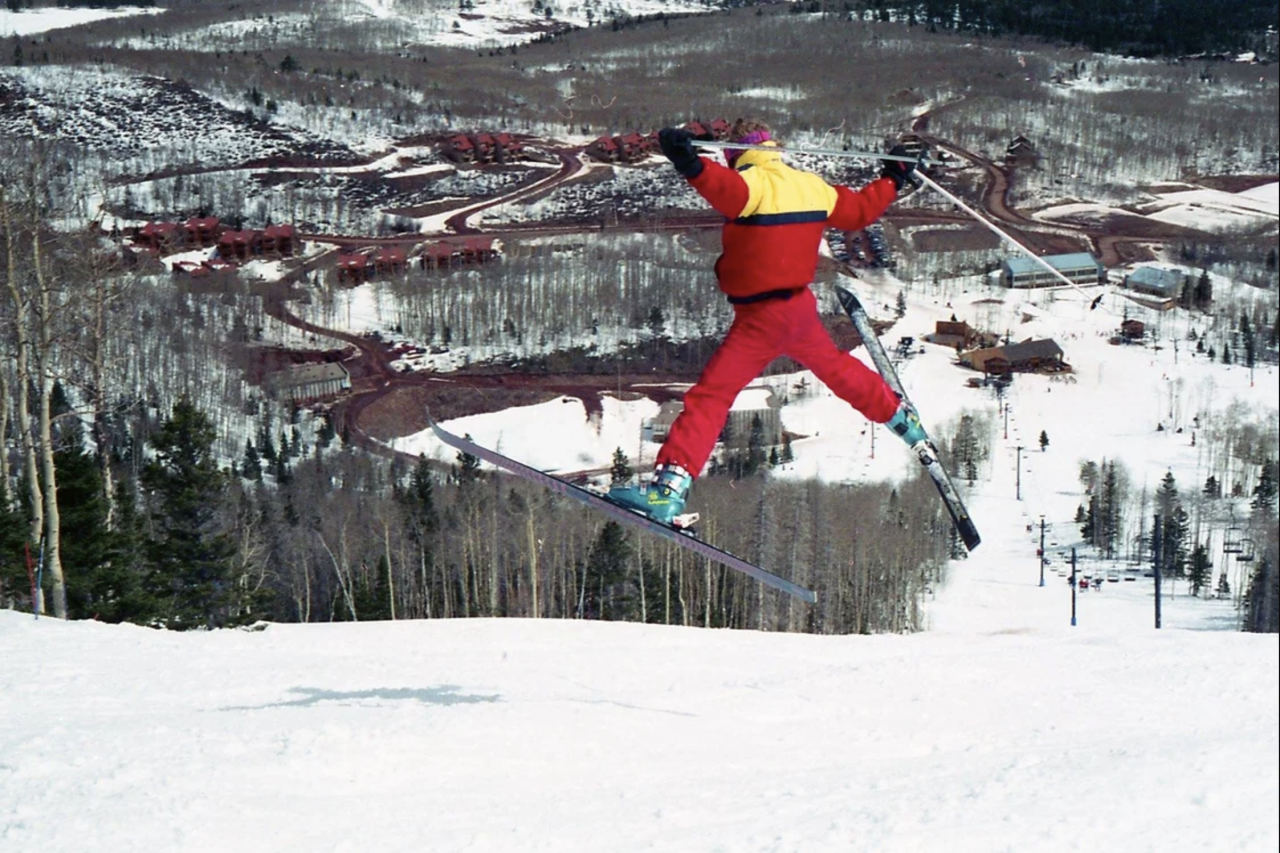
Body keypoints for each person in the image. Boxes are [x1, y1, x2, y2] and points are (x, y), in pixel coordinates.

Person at [608, 118, 927, 525]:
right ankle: (903, 419)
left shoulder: (752, 186)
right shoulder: (812, 187)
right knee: (839, 369)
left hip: (759, 318)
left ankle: (669, 490)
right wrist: (893, 178)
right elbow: (862, 210)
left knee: (712, 397)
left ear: (738, 153)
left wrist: (685, 160)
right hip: (799, 310)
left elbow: (718, 186)